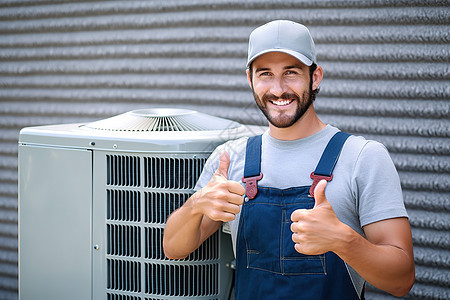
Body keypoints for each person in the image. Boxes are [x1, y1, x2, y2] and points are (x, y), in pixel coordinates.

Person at [163, 20, 415, 299]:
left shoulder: (362, 157)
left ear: (315, 77)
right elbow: (174, 249)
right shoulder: (231, 158)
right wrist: (197, 204)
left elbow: (401, 281)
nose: (278, 89)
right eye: (265, 74)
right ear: (250, 79)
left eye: (291, 73)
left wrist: (342, 240)